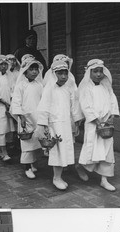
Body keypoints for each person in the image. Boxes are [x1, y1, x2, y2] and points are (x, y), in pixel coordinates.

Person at [36, 60, 83, 190]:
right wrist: (43, 125)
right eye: (59, 73)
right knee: (57, 151)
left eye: (65, 73)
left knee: (66, 149)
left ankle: (60, 174)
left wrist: (77, 121)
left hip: (66, 124)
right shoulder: (49, 89)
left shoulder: (69, 88)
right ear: (53, 74)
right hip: (54, 125)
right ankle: (56, 177)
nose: (63, 76)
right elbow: (44, 107)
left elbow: (74, 105)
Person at [77, 59, 120, 191]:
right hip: (93, 124)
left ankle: (104, 179)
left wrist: (112, 115)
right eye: (95, 71)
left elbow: (113, 101)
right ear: (89, 72)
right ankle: (80, 167)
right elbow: (86, 106)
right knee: (91, 149)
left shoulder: (106, 87)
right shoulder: (86, 88)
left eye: (100, 71)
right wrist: (96, 121)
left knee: (107, 150)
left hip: (106, 124)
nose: (98, 74)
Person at [10, 57, 44, 179]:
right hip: (25, 118)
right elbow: (16, 103)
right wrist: (21, 116)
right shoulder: (20, 86)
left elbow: (43, 101)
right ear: (25, 71)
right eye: (32, 69)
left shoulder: (39, 85)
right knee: (27, 143)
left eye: (36, 69)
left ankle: (33, 163)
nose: (35, 72)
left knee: (36, 142)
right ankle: (27, 167)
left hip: (37, 116)